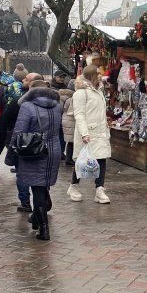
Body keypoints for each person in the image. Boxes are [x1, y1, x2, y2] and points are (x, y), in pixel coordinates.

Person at [10, 79, 62, 240]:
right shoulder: (57, 106)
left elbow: (19, 132)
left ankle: (43, 228)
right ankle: (36, 218)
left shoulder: (27, 107)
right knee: (43, 184)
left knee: (37, 188)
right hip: (53, 150)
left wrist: (12, 152)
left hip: (34, 150)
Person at [66, 65, 111, 204]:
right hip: (88, 133)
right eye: (97, 73)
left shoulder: (99, 92)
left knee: (102, 159)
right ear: (91, 75)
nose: (100, 75)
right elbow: (79, 114)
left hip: (100, 132)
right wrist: (84, 133)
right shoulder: (80, 93)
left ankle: (99, 189)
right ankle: (73, 186)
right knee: (81, 161)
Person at [4, 72, 40, 212]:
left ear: (32, 84)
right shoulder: (52, 103)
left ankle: (25, 201)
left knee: (22, 172)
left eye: (26, 79)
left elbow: (7, 119)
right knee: (40, 173)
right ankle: (42, 200)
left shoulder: (19, 101)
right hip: (42, 143)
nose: (23, 80)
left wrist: (10, 141)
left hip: (23, 142)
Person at [59, 86, 76, 166]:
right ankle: (69, 159)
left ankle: (68, 158)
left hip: (65, 119)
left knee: (69, 141)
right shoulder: (72, 99)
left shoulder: (61, 97)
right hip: (71, 120)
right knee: (72, 141)